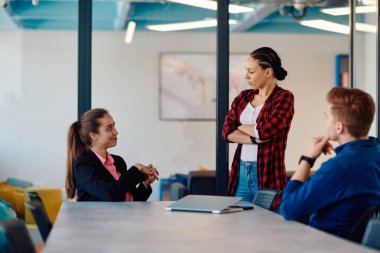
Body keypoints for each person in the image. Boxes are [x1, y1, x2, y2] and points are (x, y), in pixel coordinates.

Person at [280, 87, 380, 238]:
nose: (325, 121)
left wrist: (308, 159)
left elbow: (288, 209)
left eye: (327, 117)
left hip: (327, 244)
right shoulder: (374, 154)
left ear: (339, 127)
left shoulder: (340, 167)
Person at [222, 47, 294, 207]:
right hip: (240, 172)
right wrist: (254, 139)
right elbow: (226, 132)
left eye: (251, 71)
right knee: (238, 225)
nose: (246, 76)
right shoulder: (243, 97)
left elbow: (266, 131)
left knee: (266, 227)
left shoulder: (284, 97)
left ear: (268, 72)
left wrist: (239, 125)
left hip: (267, 174)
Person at [65, 108, 159, 201]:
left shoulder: (118, 161)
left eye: (114, 126)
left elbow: (130, 201)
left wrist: (145, 184)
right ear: (93, 135)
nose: (116, 132)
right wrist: (136, 168)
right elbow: (110, 194)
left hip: (126, 216)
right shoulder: (83, 165)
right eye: (109, 128)